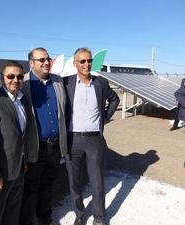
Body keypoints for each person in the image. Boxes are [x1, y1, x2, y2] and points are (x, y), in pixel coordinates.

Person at [64, 47, 119, 225]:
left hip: (94, 140)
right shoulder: (66, 84)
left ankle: (99, 217)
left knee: (97, 180)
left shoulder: (100, 83)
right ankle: (79, 215)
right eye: (82, 61)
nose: (87, 64)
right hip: (73, 140)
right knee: (74, 182)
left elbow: (114, 99)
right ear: (75, 64)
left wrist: (105, 117)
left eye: (89, 61)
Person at [0, 60, 37, 225]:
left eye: (20, 76)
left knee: (13, 210)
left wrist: (25, 160)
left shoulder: (23, 100)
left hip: (19, 168)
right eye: (11, 76)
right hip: (2, 172)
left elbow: (24, 134)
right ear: (2, 78)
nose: (16, 80)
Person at [20, 47, 67, 225]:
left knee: (48, 185)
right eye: (42, 60)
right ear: (31, 63)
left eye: (48, 59)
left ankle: (44, 218)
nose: (47, 62)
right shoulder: (22, 83)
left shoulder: (57, 81)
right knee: (30, 188)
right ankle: (26, 221)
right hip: (34, 147)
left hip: (54, 146)